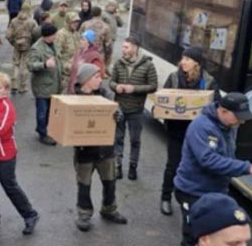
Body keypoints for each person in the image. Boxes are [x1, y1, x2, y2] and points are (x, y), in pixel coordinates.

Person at [173, 93, 252, 246]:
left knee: (211, 233)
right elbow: (209, 160)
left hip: (216, 190)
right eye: (238, 117)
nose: (242, 121)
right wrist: (247, 167)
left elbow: (227, 154)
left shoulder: (230, 126)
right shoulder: (201, 126)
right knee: (193, 236)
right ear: (223, 111)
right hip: (193, 192)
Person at [0, 72, 40, 235]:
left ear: (6, 91)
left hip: (4, 154)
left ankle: (30, 214)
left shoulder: (7, 107)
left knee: (9, 186)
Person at [160, 47, 219, 216]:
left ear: (197, 63)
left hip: (198, 133)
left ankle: (191, 199)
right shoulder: (173, 77)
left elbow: (217, 105)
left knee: (196, 167)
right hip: (176, 131)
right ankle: (165, 197)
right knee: (173, 165)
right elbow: (163, 100)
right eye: (182, 58)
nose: (182, 62)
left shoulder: (208, 82)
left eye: (187, 59)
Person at [72, 63, 127, 231]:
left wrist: (118, 115)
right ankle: (84, 213)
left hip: (106, 149)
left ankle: (109, 209)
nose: (100, 79)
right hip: (84, 151)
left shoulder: (106, 94)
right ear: (86, 80)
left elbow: (119, 113)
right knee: (84, 185)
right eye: (96, 77)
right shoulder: (73, 99)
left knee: (110, 182)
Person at [110, 36, 158, 181]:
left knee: (135, 140)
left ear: (135, 48)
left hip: (136, 110)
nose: (123, 50)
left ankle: (132, 167)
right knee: (118, 139)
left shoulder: (148, 65)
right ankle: (117, 166)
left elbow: (153, 86)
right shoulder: (118, 63)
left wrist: (134, 89)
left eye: (126, 47)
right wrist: (115, 87)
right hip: (120, 107)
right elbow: (111, 82)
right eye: (123, 47)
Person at [28, 23, 63, 146]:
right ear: (48, 35)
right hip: (43, 86)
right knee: (42, 112)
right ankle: (43, 134)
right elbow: (30, 65)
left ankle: (44, 129)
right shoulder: (37, 48)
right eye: (54, 34)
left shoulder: (53, 45)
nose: (56, 37)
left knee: (49, 111)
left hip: (53, 84)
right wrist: (44, 64)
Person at [5, 2, 37, 94]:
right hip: (27, 45)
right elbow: (36, 34)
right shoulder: (32, 22)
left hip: (16, 44)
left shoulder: (14, 21)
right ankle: (23, 86)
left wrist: (13, 42)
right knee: (25, 65)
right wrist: (32, 43)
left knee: (16, 64)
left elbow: (8, 35)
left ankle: (14, 83)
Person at [80, 6, 113, 72]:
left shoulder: (85, 24)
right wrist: (107, 61)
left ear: (91, 13)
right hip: (99, 56)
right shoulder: (105, 26)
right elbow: (108, 46)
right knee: (97, 76)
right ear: (100, 14)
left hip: (86, 55)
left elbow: (79, 39)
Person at [54, 12, 82, 89]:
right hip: (64, 72)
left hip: (75, 70)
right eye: (73, 22)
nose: (76, 24)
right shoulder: (61, 34)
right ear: (68, 22)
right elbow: (56, 54)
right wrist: (64, 67)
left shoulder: (76, 34)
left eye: (77, 22)